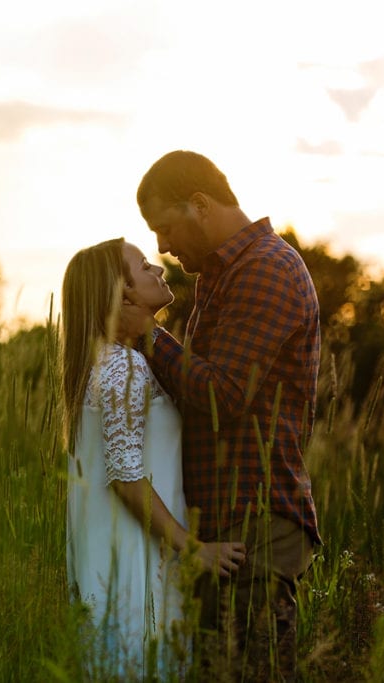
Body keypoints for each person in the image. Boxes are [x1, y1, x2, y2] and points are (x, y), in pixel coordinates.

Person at [126, 150, 321, 681]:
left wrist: (147, 335)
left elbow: (221, 395)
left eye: (165, 228)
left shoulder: (265, 269)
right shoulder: (219, 275)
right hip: (225, 524)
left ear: (200, 204)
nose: (162, 246)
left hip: (255, 522)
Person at [62, 238, 246, 679]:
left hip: (128, 554)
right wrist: (193, 548)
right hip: (133, 562)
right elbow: (125, 477)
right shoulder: (123, 366)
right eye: (145, 266)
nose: (159, 270)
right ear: (121, 291)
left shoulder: (116, 361)